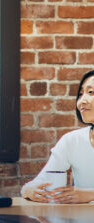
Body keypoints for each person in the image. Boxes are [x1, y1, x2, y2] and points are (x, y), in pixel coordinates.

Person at [21, 70, 94, 204]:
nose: (82, 101)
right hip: (82, 222)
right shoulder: (72, 141)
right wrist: (29, 190)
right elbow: (40, 182)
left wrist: (88, 195)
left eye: (91, 92)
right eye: (80, 94)